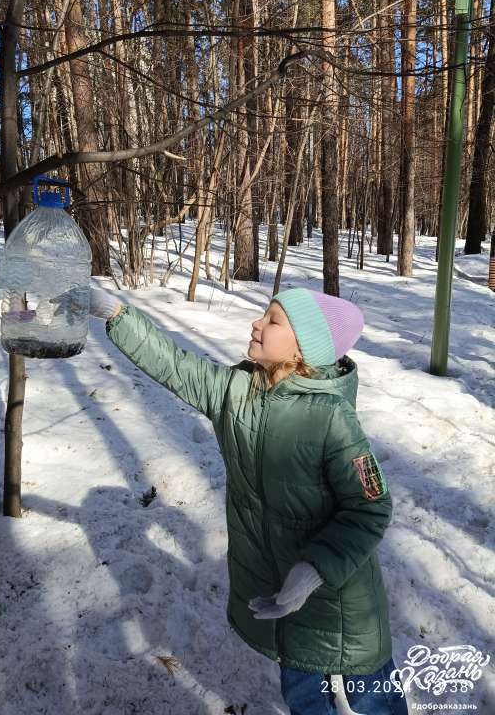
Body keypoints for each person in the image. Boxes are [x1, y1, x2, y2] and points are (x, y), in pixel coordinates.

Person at [86, 285, 409, 715]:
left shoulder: (332, 416)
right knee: (304, 698)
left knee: (372, 701)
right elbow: (175, 365)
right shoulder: (236, 390)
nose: (257, 323)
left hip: (339, 606)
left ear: (303, 350)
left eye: (273, 320)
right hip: (278, 597)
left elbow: (371, 506)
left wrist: (313, 571)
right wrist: (116, 313)